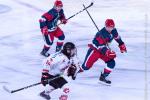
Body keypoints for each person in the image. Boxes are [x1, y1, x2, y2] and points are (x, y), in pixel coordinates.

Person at [81, 19, 127, 85]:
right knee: (85, 67)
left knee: (111, 63)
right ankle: (71, 69)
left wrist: (121, 43)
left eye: (112, 27)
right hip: (95, 50)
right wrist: (107, 52)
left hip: (104, 51)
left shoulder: (114, 31)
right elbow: (100, 46)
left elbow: (117, 37)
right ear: (105, 26)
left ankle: (103, 77)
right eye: (108, 27)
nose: (110, 29)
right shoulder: (101, 34)